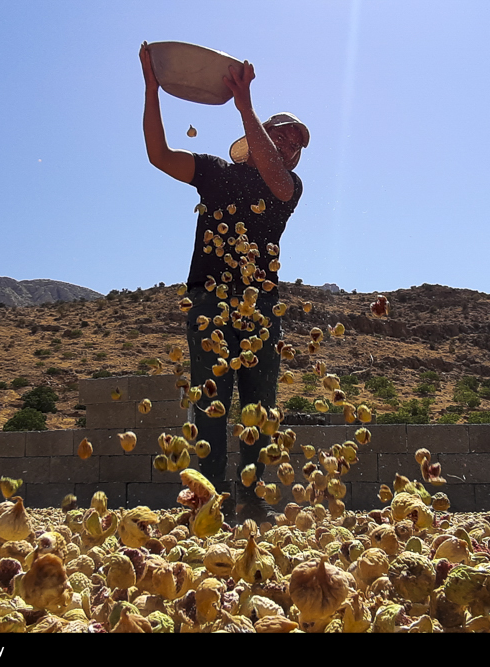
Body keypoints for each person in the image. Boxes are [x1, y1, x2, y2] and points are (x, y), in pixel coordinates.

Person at [140, 42, 309, 522]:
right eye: (287, 137)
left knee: (261, 405)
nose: (293, 147)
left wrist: (246, 107)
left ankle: (251, 496)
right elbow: (158, 154)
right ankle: (209, 498)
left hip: (262, 308)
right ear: (263, 136)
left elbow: (276, 180)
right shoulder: (216, 173)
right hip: (208, 300)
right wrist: (153, 89)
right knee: (211, 397)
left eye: (299, 144)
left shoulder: (289, 188)